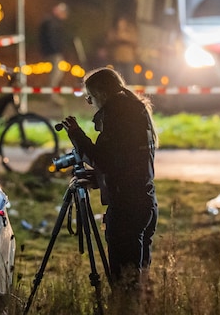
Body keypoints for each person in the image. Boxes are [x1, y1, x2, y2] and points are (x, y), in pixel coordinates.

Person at [59, 67, 158, 296]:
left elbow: (101, 159)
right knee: (139, 284)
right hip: (145, 203)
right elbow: (124, 162)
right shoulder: (136, 111)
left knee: (124, 285)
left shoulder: (117, 115)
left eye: (90, 98)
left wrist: (76, 135)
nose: (90, 103)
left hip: (126, 209)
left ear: (100, 94)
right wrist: (98, 179)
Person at [39, 2, 70, 104]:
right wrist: (56, 49)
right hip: (53, 52)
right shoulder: (52, 23)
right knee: (56, 73)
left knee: (56, 73)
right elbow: (52, 38)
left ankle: (51, 94)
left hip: (53, 51)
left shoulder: (52, 22)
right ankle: (51, 95)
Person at [105, 16, 138, 83]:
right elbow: (110, 39)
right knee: (117, 79)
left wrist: (123, 37)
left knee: (131, 79)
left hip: (128, 59)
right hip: (117, 59)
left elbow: (134, 40)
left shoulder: (130, 30)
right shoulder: (114, 31)